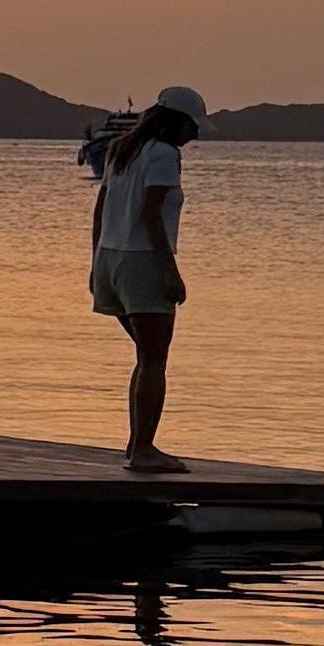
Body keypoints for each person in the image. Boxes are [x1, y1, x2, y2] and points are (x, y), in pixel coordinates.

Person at [87, 81, 207, 468]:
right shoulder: (163, 155)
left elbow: (101, 208)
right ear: (176, 123)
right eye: (193, 126)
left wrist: (95, 264)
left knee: (146, 356)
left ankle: (137, 443)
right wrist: (170, 271)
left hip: (112, 258)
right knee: (154, 359)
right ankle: (143, 449)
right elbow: (151, 214)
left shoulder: (122, 150)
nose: (196, 134)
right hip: (142, 262)